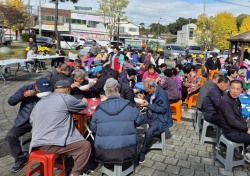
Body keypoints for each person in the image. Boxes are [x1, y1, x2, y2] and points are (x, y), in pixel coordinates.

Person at [29, 80, 91, 176]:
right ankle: (76, 173)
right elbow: (82, 105)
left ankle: (66, 162)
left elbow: (32, 121)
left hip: (37, 142)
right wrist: (85, 101)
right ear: (68, 90)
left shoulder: (40, 102)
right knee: (85, 146)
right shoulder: (66, 98)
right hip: (51, 144)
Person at [5, 78, 53, 173]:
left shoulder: (51, 89)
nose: (46, 92)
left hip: (43, 120)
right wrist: (24, 95)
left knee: (52, 134)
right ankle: (20, 158)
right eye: (42, 90)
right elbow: (11, 101)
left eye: (47, 90)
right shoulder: (26, 88)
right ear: (36, 86)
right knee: (10, 136)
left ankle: (55, 155)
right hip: (25, 120)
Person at [90, 82, 144, 165]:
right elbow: (140, 121)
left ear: (106, 96)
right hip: (128, 150)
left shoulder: (99, 108)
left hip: (103, 152)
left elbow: (93, 128)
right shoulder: (130, 106)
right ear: (119, 94)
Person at [137, 78, 173, 163]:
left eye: (147, 89)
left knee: (149, 132)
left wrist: (148, 105)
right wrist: (144, 97)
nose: (146, 91)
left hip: (161, 118)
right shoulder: (152, 91)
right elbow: (151, 100)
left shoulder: (162, 94)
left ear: (153, 87)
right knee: (135, 120)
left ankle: (143, 152)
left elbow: (163, 109)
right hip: (151, 114)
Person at [219, 80, 250, 162]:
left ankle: (239, 149)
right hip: (230, 131)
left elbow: (239, 115)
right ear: (229, 88)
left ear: (241, 90)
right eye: (232, 88)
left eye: (237, 89)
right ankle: (242, 153)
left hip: (236, 128)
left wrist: (245, 127)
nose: (234, 91)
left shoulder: (236, 99)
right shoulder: (225, 101)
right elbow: (232, 121)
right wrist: (246, 129)